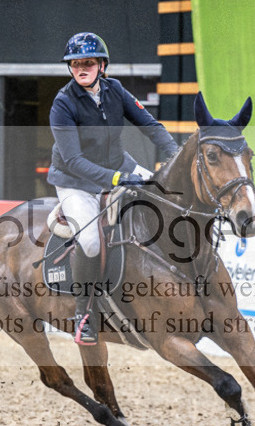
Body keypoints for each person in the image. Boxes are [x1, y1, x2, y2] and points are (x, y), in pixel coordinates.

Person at [47, 32, 179, 345]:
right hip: (75, 181)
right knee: (91, 242)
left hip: (121, 164)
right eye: (75, 63)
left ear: (102, 65)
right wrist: (118, 180)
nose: (81, 68)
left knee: (166, 197)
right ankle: (83, 314)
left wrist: (174, 153)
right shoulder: (62, 104)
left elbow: (150, 126)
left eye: (88, 62)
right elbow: (75, 161)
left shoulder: (115, 89)